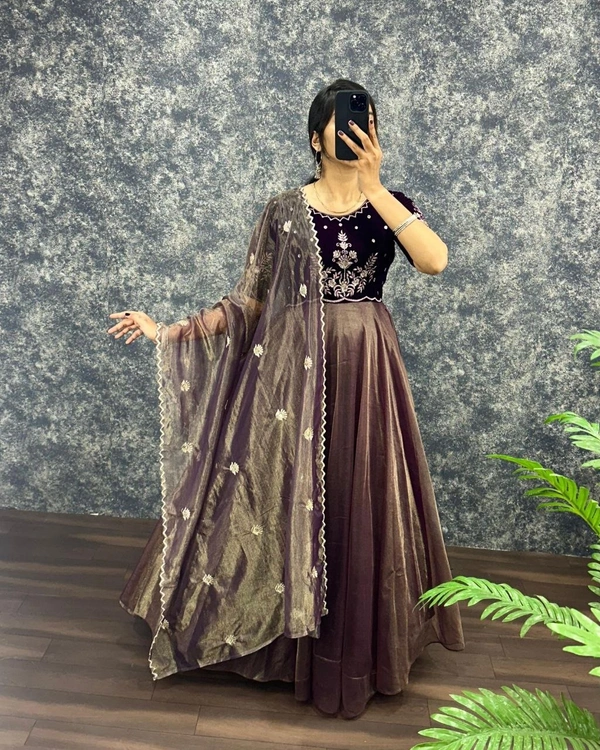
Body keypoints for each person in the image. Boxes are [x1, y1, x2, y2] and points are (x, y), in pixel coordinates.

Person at [107, 78, 465, 720]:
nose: (356, 130)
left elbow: (435, 260)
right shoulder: (283, 211)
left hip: (365, 367)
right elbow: (249, 301)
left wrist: (377, 188)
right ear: (315, 138)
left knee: (358, 494)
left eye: (367, 120)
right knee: (277, 494)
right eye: (344, 120)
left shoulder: (390, 204)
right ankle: (279, 645)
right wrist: (169, 331)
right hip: (291, 375)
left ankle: (352, 648)